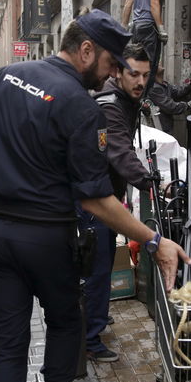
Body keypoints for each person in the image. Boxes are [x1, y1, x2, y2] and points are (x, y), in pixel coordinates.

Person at [0, 9, 190, 382]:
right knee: (65, 322)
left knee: (8, 341)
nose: (112, 72)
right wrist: (153, 240)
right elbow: (95, 200)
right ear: (85, 50)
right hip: (46, 237)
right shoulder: (79, 105)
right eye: (110, 62)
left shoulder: (2, 77)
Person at [80, 43, 154, 363]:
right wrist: (152, 183)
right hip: (96, 201)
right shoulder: (111, 104)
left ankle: (95, 319)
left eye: (146, 76)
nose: (140, 82)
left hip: (106, 196)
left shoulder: (125, 98)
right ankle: (88, 340)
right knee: (96, 269)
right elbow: (121, 154)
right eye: (133, 74)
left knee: (104, 262)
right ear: (118, 72)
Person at [121, 0, 174, 92]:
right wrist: (161, 28)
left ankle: (135, 96)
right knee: (150, 65)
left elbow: (128, 3)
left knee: (137, 62)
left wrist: (123, 26)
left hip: (136, 27)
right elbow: (154, 3)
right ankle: (144, 98)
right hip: (149, 27)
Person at [148, 65, 191, 134]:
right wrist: (188, 105)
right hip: (160, 129)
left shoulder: (164, 84)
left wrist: (190, 85)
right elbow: (170, 107)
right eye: (157, 64)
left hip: (166, 126)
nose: (159, 64)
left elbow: (177, 92)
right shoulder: (154, 88)